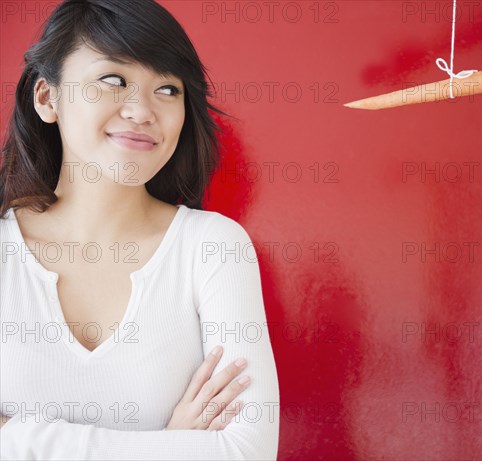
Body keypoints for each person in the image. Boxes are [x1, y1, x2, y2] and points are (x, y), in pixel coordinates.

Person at [0, 0, 280, 459]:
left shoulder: (213, 248)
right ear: (48, 98)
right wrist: (172, 445)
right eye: (114, 80)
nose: (143, 110)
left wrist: (14, 437)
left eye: (168, 89)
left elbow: (246, 452)